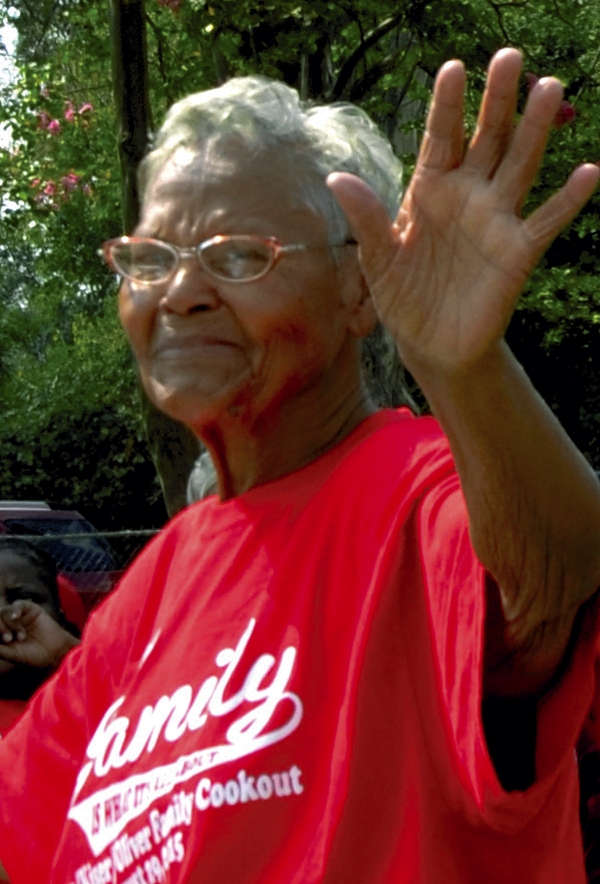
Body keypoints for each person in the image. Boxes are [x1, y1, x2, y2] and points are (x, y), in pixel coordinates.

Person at [0, 47, 600, 884]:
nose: (179, 292)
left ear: (359, 288)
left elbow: (549, 584)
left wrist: (466, 370)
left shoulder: (421, 490)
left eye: (238, 256)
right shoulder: (155, 586)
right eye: (150, 258)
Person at [0, 537, 80, 735]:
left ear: (59, 616)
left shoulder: (94, 696)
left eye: (25, 598)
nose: (4, 613)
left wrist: (65, 654)